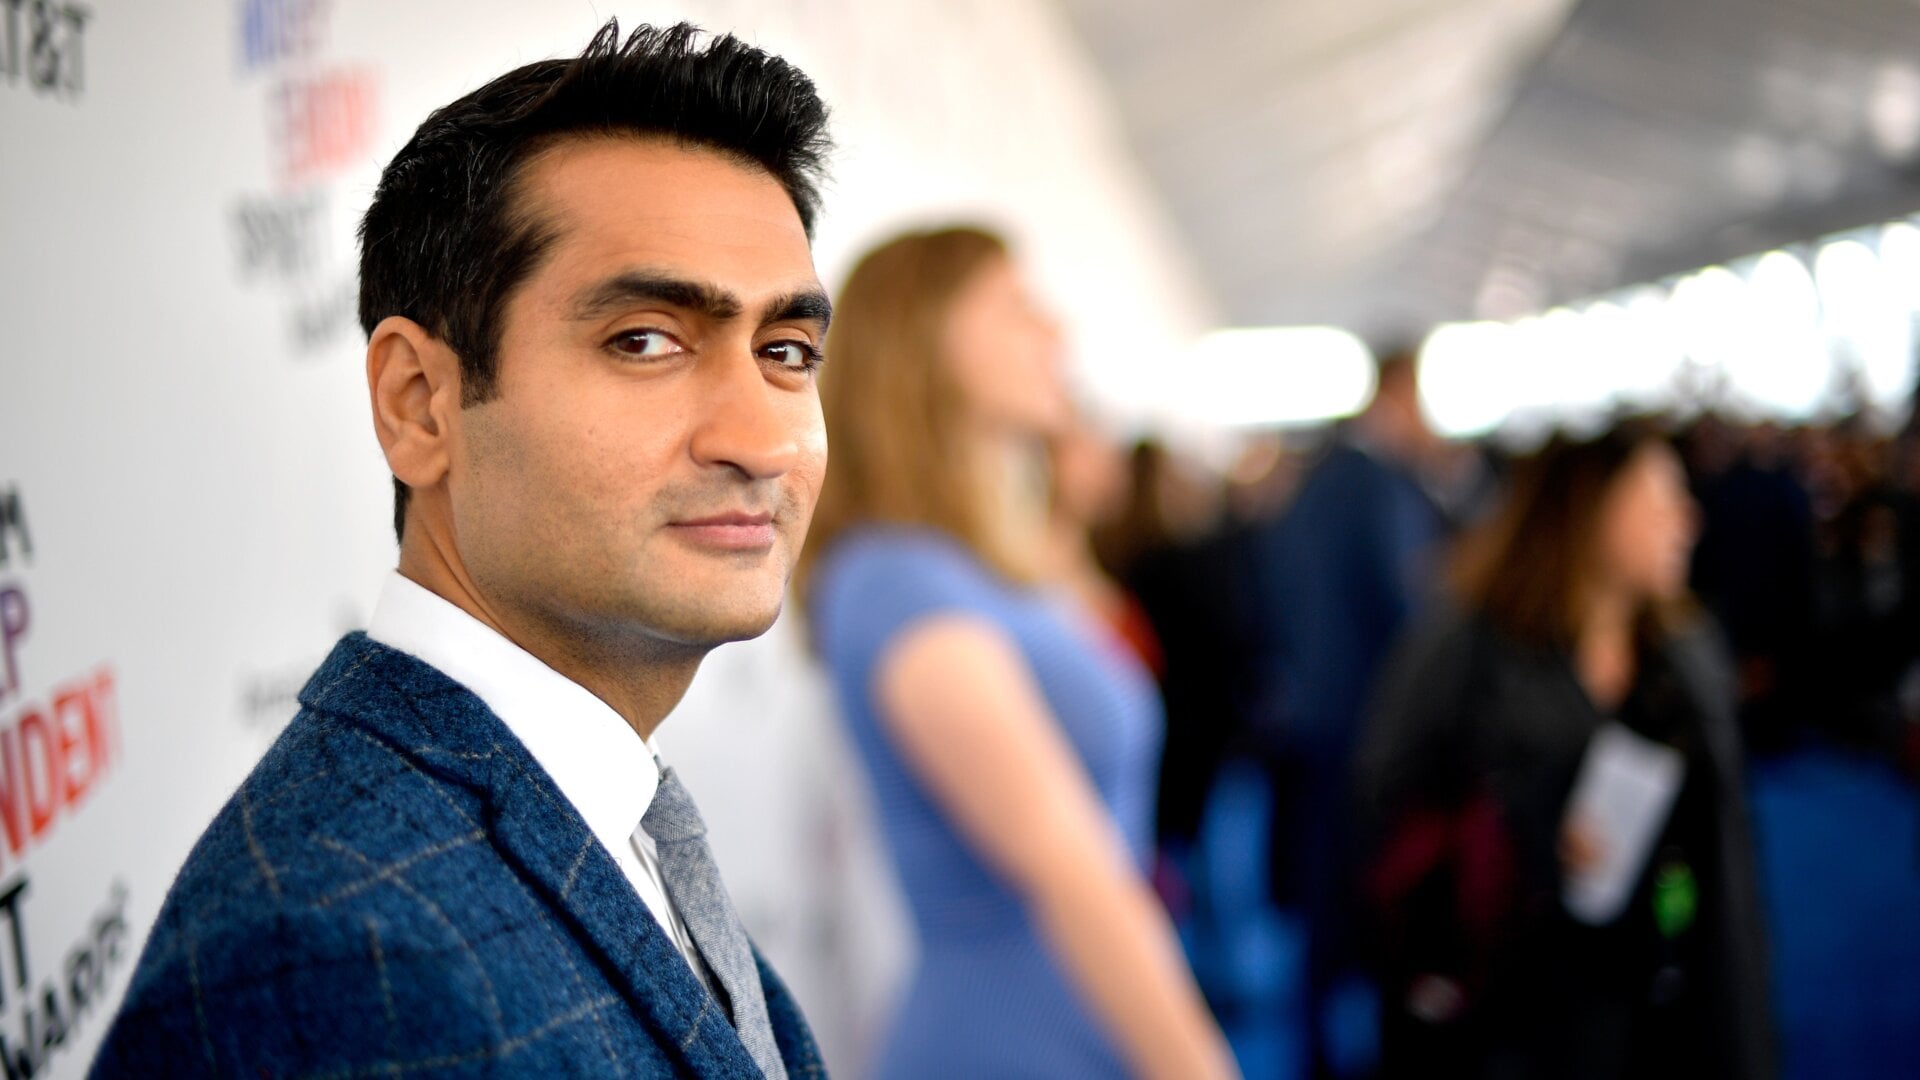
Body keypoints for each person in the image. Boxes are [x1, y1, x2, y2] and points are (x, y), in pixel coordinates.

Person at [92, 21, 833, 1078]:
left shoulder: (594, 800)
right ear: (420, 404)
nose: (760, 439)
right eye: (646, 341)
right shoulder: (332, 956)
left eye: (787, 352)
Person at [798, 227, 1238, 1079]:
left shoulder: (984, 567)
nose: (1055, 335)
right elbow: (1072, 874)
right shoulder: (893, 578)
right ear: (923, 340)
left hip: (1090, 1023)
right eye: (1014, 308)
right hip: (1008, 1045)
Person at [1358, 427, 1776, 1080]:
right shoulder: (1467, 649)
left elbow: (1728, 868)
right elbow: (1387, 810)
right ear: (1593, 505)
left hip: (1665, 992)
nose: (1687, 520)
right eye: (1661, 496)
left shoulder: (1684, 657)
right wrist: (1525, 831)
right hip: (1514, 1008)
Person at [1242, 348, 1450, 1074]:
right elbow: (1409, 610)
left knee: (1322, 895)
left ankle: (1315, 1045)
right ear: (1403, 388)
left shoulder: (1313, 476)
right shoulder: (1379, 483)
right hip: (1368, 720)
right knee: (1375, 893)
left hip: (1314, 712)